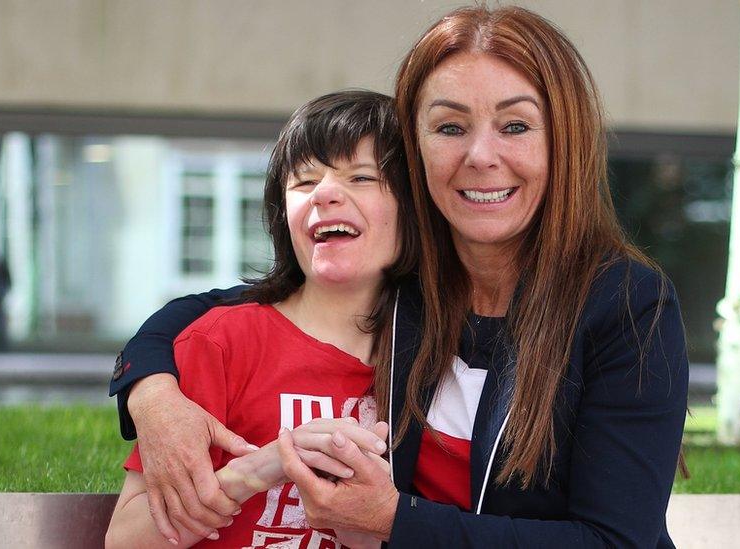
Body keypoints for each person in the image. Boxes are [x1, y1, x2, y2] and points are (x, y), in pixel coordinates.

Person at [111, 6, 689, 548]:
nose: (481, 156)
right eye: (449, 128)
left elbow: (615, 541)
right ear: (415, 152)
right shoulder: (406, 285)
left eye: (515, 126)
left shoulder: (626, 304)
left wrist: (394, 520)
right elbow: (234, 311)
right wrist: (153, 392)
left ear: (566, 140)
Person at [105, 90, 418, 548]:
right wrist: (261, 467)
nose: (327, 193)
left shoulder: (439, 356)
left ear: (413, 210)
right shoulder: (221, 342)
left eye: (362, 177)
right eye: (305, 182)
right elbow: (125, 541)